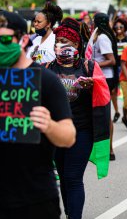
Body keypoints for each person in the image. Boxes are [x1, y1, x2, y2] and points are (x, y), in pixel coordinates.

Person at [0, 11, 75, 218]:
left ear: (23, 39)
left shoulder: (46, 81)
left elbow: (68, 137)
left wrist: (49, 125)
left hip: (35, 198)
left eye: (4, 39)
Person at [47, 19, 111, 219]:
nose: (60, 45)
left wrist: (94, 85)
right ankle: (69, 214)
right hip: (55, 132)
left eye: (65, 41)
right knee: (64, 179)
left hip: (81, 130)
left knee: (73, 177)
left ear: (76, 45)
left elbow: (105, 93)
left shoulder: (89, 66)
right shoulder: (47, 67)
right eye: (58, 41)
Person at [92, 13, 117, 160]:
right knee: (100, 114)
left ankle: (110, 149)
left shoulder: (102, 38)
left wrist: (92, 64)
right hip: (99, 77)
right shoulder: (98, 35)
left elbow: (111, 60)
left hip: (105, 78)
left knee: (105, 114)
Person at [112, 18, 127, 124]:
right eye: (116, 27)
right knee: (113, 91)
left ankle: (125, 111)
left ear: (125, 28)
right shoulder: (112, 39)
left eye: (121, 27)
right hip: (115, 68)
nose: (118, 29)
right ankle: (117, 112)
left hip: (125, 68)